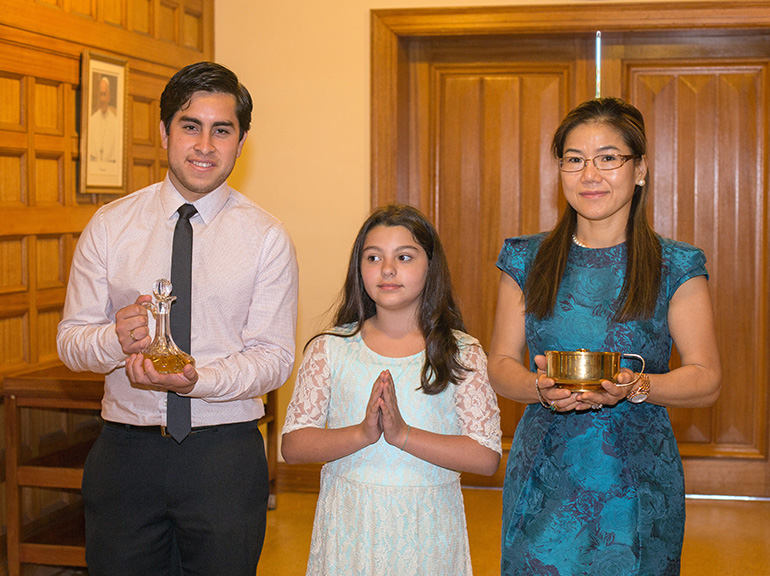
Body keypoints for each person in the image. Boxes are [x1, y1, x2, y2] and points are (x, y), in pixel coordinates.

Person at [57, 61, 298, 576]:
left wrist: (198, 381)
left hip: (224, 456)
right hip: (126, 454)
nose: (205, 145)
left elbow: (274, 358)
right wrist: (113, 338)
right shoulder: (110, 226)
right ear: (165, 131)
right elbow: (71, 341)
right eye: (190, 126)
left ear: (241, 140)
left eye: (222, 130)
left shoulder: (266, 238)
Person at [488, 97, 721, 575]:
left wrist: (638, 386)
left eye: (608, 158)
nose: (589, 174)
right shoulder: (524, 261)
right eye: (574, 160)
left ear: (640, 170)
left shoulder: (676, 266)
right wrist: (539, 388)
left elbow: (706, 378)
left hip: (636, 483)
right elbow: (500, 365)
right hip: (544, 476)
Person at [282, 204, 502, 575]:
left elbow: (486, 456)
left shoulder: (461, 352)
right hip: (350, 527)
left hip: (426, 533)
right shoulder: (331, 348)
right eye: (373, 257)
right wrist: (363, 433)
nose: (387, 269)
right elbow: (294, 445)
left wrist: (403, 435)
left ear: (430, 266)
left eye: (404, 256)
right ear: (359, 268)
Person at [88, 74, 119, 166]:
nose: (102, 99)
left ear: (109, 97)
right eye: (100, 94)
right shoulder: (92, 120)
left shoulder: (115, 122)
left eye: (104, 94)